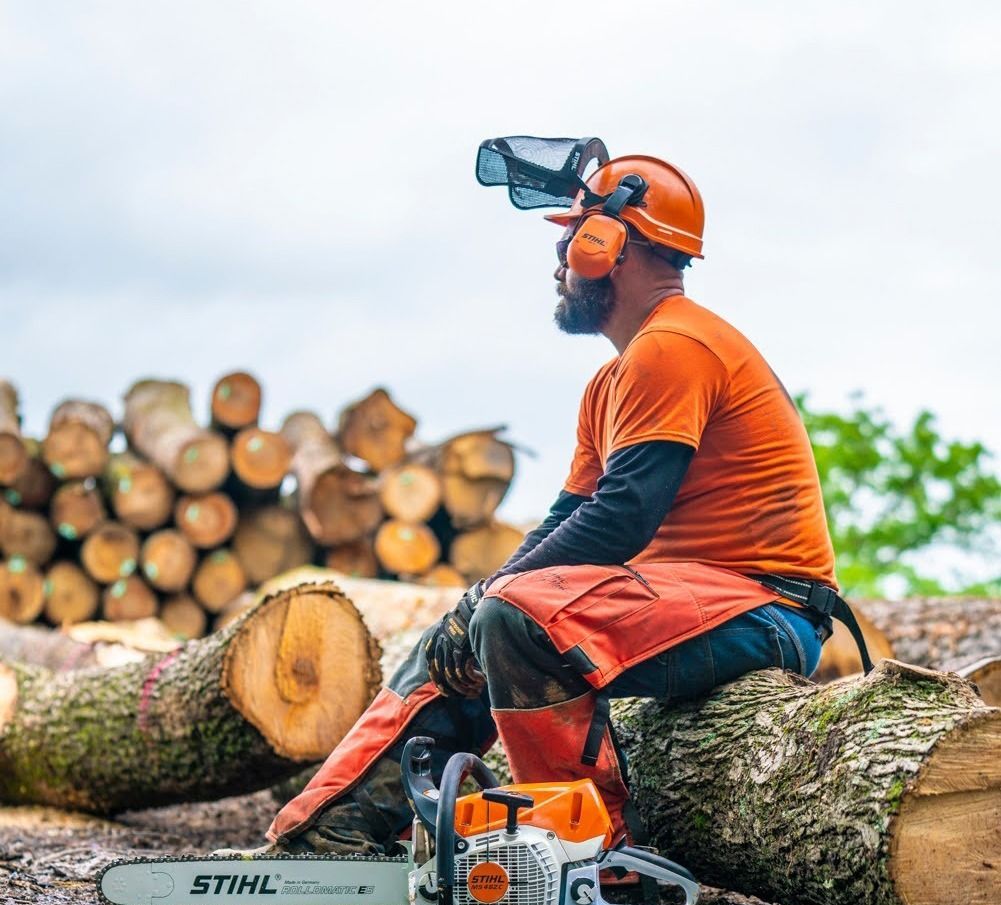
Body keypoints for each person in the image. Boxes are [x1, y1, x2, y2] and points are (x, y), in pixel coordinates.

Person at [259, 150, 841, 858]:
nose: (558, 263)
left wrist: (495, 598)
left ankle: (585, 847)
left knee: (513, 617)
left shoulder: (674, 347)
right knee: (474, 624)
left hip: (765, 609)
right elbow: (568, 519)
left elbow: (621, 518)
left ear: (607, 246)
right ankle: (335, 827)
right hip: (694, 599)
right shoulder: (613, 380)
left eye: (568, 241)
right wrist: (474, 601)